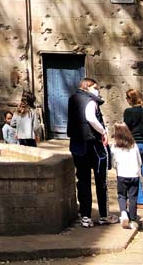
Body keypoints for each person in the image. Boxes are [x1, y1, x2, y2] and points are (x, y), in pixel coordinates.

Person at [67, 77, 118, 227]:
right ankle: (103, 215)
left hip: (77, 145)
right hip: (94, 146)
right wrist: (103, 132)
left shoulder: (73, 99)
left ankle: (86, 216)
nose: (97, 90)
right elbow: (91, 118)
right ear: (88, 87)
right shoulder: (90, 101)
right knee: (101, 181)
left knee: (83, 181)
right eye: (95, 87)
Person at [111, 122, 142, 229]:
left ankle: (123, 213)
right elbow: (139, 160)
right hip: (134, 174)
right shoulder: (134, 145)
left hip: (122, 174)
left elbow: (113, 161)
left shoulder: (115, 146)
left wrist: (116, 168)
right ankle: (133, 220)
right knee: (133, 197)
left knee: (122, 195)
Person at [123, 88, 143, 212]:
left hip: (135, 144)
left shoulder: (129, 112)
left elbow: (126, 128)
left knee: (135, 172)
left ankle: (140, 200)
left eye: (127, 98)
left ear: (131, 99)